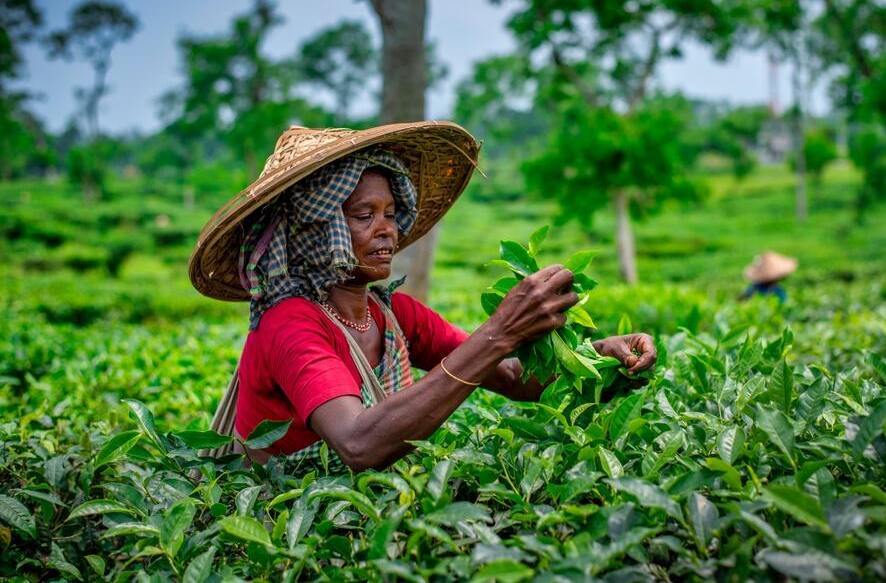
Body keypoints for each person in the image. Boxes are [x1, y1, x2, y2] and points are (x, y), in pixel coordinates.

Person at [189, 122, 656, 472]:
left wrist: (603, 359)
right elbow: (358, 444)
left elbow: (516, 379)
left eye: (391, 213)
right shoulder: (290, 324)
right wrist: (500, 330)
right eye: (363, 215)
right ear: (315, 230)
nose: (387, 229)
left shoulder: (392, 314)